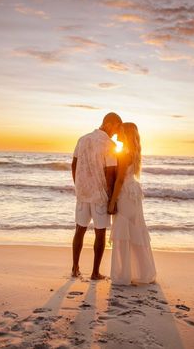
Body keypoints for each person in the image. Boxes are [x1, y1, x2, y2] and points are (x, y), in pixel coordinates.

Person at [71, 112, 122, 280]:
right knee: (100, 233)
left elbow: (74, 164)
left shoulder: (83, 139)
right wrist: (111, 197)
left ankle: (75, 268)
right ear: (109, 123)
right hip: (99, 195)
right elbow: (110, 173)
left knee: (80, 230)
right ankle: (95, 273)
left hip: (83, 193)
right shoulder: (109, 144)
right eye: (115, 128)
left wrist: (78, 185)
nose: (115, 133)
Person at [108, 122, 156, 285]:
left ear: (126, 134)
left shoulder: (123, 154)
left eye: (120, 131)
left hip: (125, 194)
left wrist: (112, 201)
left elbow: (120, 180)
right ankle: (143, 272)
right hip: (133, 192)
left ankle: (124, 275)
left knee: (123, 231)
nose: (117, 134)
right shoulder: (134, 152)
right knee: (134, 230)